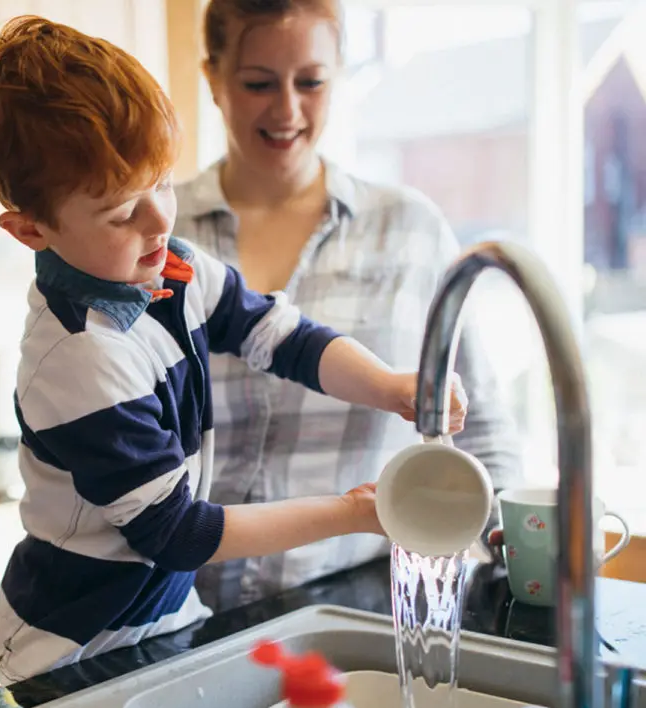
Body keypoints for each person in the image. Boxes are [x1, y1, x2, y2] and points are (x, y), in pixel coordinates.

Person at [0, 16, 467, 684]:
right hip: (75, 650)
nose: (159, 220)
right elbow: (180, 534)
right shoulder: (79, 360)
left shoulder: (168, 268)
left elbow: (282, 336)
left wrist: (390, 386)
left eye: (162, 183)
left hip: (162, 624)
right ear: (30, 229)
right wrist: (353, 515)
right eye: (120, 211)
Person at [174, 0, 523, 610]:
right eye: (258, 83)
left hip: (363, 603)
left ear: (340, 76)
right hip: (181, 613)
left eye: (311, 82)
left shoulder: (411, 230)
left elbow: (483, 433)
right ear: (213, 78)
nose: (287, 110)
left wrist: (515, 559)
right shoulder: (158, 236)